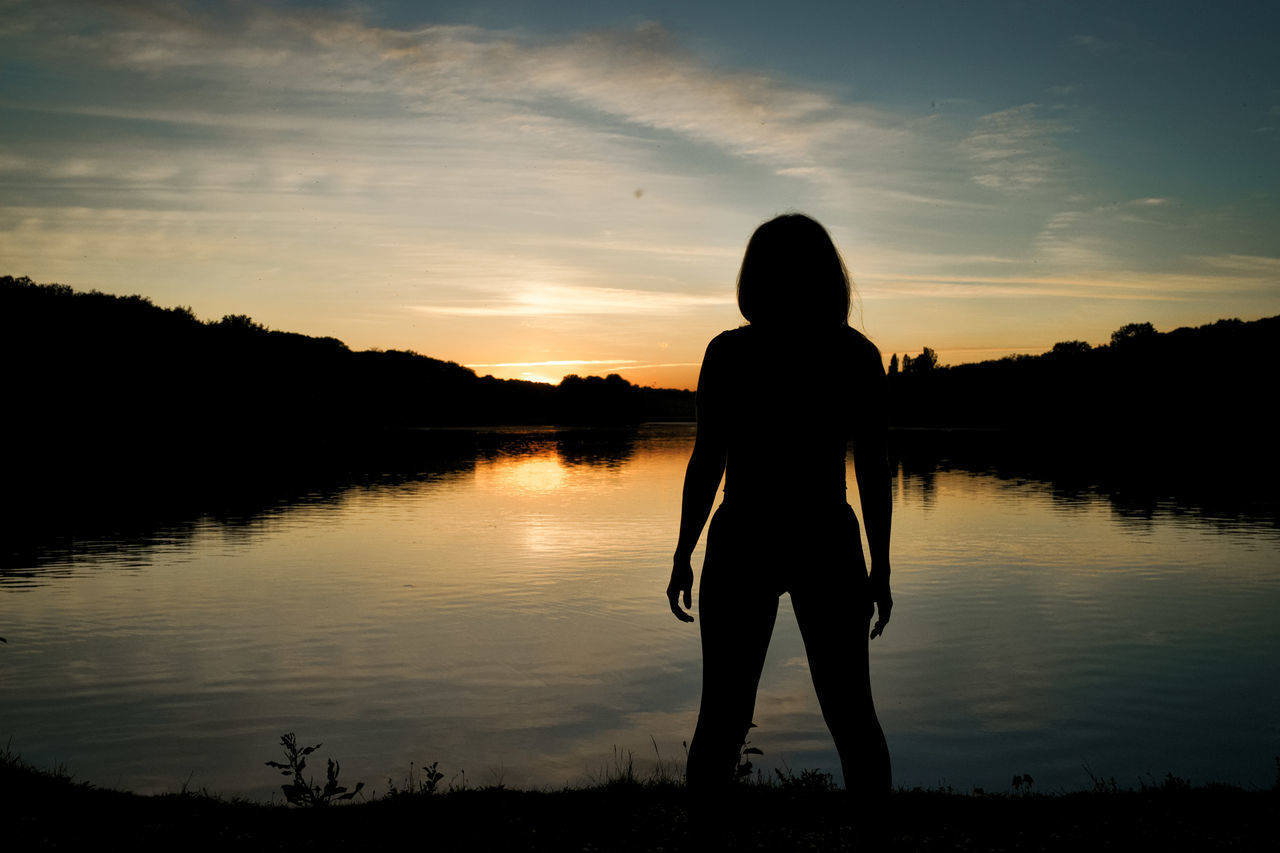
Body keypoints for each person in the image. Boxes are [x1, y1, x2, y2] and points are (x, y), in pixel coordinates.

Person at [666, 213, 892, 798]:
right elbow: (871, 471)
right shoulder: (856, 355)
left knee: (722, 716)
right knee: (851, 716)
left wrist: (683, 551)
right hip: (824, 535)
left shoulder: (730, 353)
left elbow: (707, 463)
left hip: (746, 534)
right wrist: (880, 566)